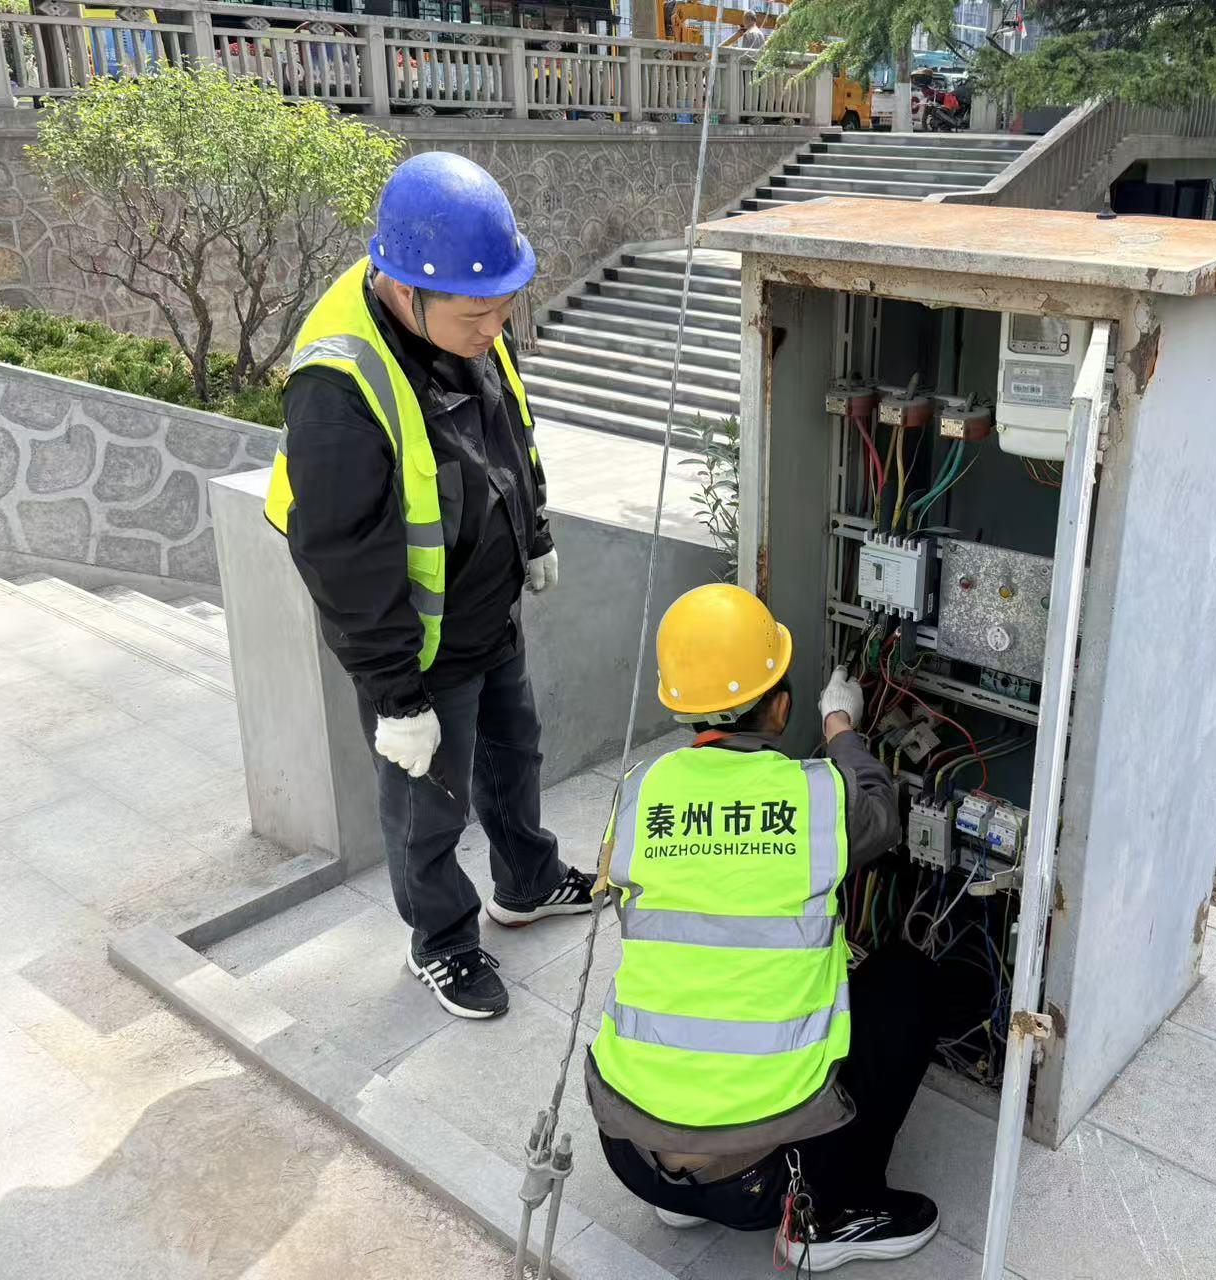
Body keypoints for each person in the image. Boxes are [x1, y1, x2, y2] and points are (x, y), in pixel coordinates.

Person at [265, 152, 592, 1021]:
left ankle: (527, 882)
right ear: (406, 291)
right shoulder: (337, 387)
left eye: (503, 308)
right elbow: (341, 557)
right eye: (477, 315)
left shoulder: (466, 312)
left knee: (514, 756)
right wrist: (396, 696)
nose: (495, 328)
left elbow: (508, 432)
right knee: (428, 804)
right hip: (416, 642)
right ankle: (441, 943)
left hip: (487, 606)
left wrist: (534, 535)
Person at [586, 584, 942, 1270]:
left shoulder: (639, 790)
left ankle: (681, 1190)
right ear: (780, 707)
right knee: (907, 981)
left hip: (627, 1150)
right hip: (763, 1185)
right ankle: (824, 1222)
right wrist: (840, 724)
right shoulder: (817, 795)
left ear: (679, 703)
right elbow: (881, 813)